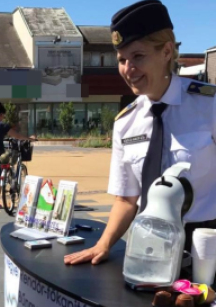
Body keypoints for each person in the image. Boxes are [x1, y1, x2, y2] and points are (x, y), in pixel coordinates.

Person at [64, 0, 216, 266]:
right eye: (122, 60)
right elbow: (126, 199)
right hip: (149, 248)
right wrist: (103, 245)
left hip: (207, 246)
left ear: (167, 51)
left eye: (138, 57)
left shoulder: (209, 105)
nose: (127, 69)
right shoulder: (126, 123)